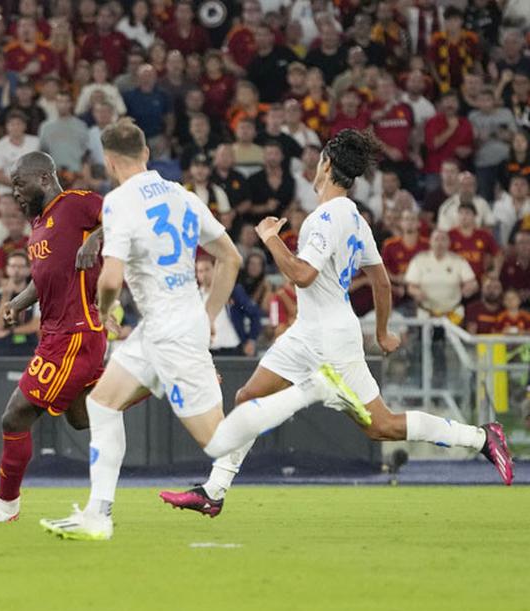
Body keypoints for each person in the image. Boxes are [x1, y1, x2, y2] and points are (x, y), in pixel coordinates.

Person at [38, 120, 373, 541]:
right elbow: (230, 257)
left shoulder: (119, 202)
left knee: (216, 442)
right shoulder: (183, 195)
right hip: (172, 324)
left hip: (168, 332)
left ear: (109, 161)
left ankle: (315, 389)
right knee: (103, 404)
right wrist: (209, 314)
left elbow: (108, 280)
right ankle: (97, 514)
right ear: (145, 154)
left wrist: (104, 313)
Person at [157, 130, 514, 520]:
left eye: (318, 161)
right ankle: (214, 491)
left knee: (382, 426)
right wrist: (380, 332)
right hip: (308, 331)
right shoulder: (355, 217)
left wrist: (271, 239)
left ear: (326, 164)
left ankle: (481, 437)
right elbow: (379, 279)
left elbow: (303, 274)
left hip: (329, 340)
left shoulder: (327, 216)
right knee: (247, 398)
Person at [0, 151, 106, 523]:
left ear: (43, 177)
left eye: (19, 185)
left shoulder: (75, 204)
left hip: (73, 334)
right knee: (81, 415)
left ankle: (6, 505)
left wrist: (96, 239)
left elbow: (126, 218)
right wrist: (17, 303)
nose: (15, 195)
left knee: (15, 417)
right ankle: (152, 378)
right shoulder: (39, 225)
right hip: (58, 335)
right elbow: (44, 279)